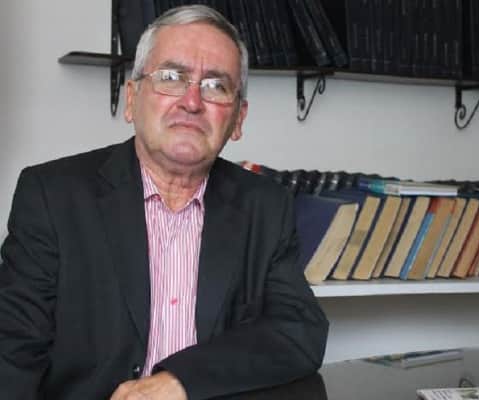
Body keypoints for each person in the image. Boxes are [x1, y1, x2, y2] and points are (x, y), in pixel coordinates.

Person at [0, 5, 328, 400]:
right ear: (132, 98)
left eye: (216, 86)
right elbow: (12, 352)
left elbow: (300, 330)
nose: (192, 101)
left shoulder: (266, 206)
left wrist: (182, 380)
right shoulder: (52, 196)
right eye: (171, 77)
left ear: (238, 119)